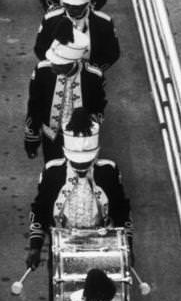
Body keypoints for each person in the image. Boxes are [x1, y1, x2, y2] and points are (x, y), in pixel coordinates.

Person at [26, 110, 131, 271]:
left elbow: (122, 211)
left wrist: (128, 247)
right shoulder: (52, 172)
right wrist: (35, 247)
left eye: (85, 163)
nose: (81, 168)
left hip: (102, 247)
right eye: (76, 164)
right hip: (62, 246)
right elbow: (39, 210)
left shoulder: (109, 171)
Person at [24, 36, 106, 163]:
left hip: (81, 138)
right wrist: (32, 139)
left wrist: (88, 126)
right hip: (52, 136)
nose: (52, 66)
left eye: (58, 64)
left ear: (72, 63)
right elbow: (34, 106)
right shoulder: (42, 71)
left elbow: (99, 106)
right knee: (54, 171)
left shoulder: (93, 76)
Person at [34, 0, 120, 71]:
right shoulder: (50, 20)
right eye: (68, 5)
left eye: (76, 7)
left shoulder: (104, 23)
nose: (71, 10)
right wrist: (56, 65)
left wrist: (93, 70)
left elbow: (112, 53)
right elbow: (40, 48)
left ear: (86, 4)